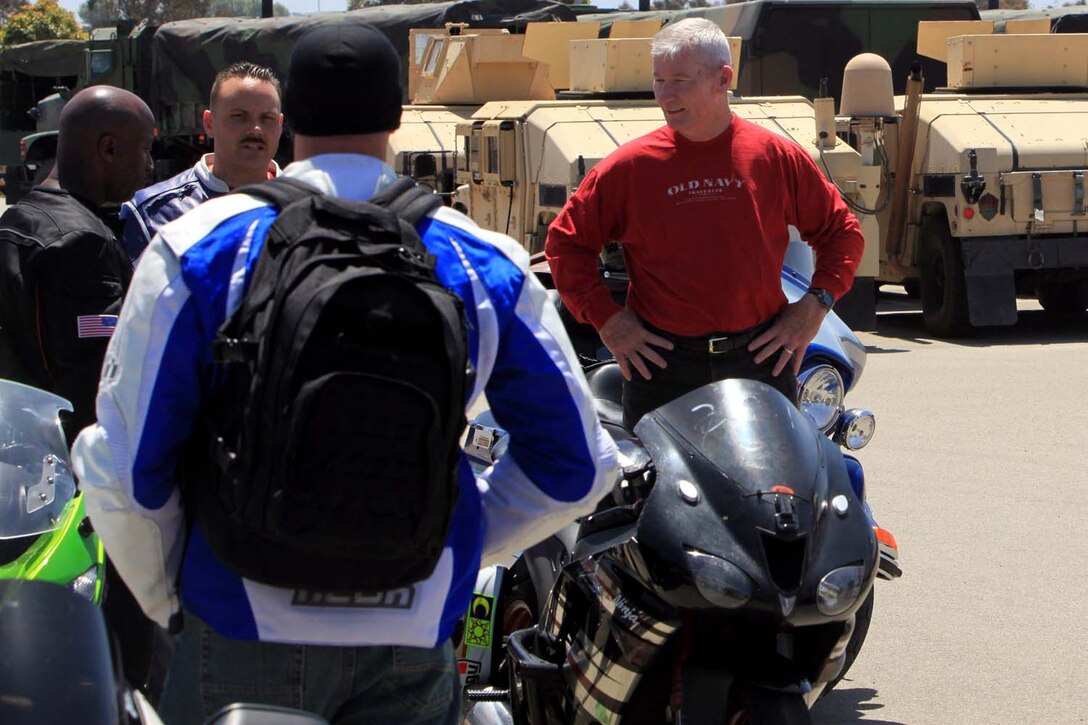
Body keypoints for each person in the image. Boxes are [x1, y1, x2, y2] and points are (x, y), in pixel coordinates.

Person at [71, 22, 616, 725]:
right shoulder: (482, 259)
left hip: (241, 627)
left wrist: (176, 594)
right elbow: (576, 467)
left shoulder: (198, 249)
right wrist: (437, 546)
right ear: (396, 117)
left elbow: (124, 466)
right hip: (412, 635)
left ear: (289, 114)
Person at [545, 18, 865, 429]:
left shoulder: (773, 157)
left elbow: (842, 234)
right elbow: (565, 244)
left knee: (772, 491)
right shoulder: (629, 168)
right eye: (659, 80)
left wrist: (814, 307)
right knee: (660, 492)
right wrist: (608, 320)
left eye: (680, 80)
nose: (665, 95)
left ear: (723, 79)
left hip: (761, 361)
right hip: (661, 368)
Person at [0, 86, 154, 441]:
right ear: (109, 149)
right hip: (65, 466)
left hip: (19, 447)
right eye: (145, 148)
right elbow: (94, 383)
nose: (149, 164)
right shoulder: (83, 242)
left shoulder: (16, 220)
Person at [119, 62, 283, 260]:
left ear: (280, 125)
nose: (255, 129)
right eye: (239, 116)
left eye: (267, 118)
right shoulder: (151, 214)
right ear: (209, 123)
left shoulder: (309, 207)